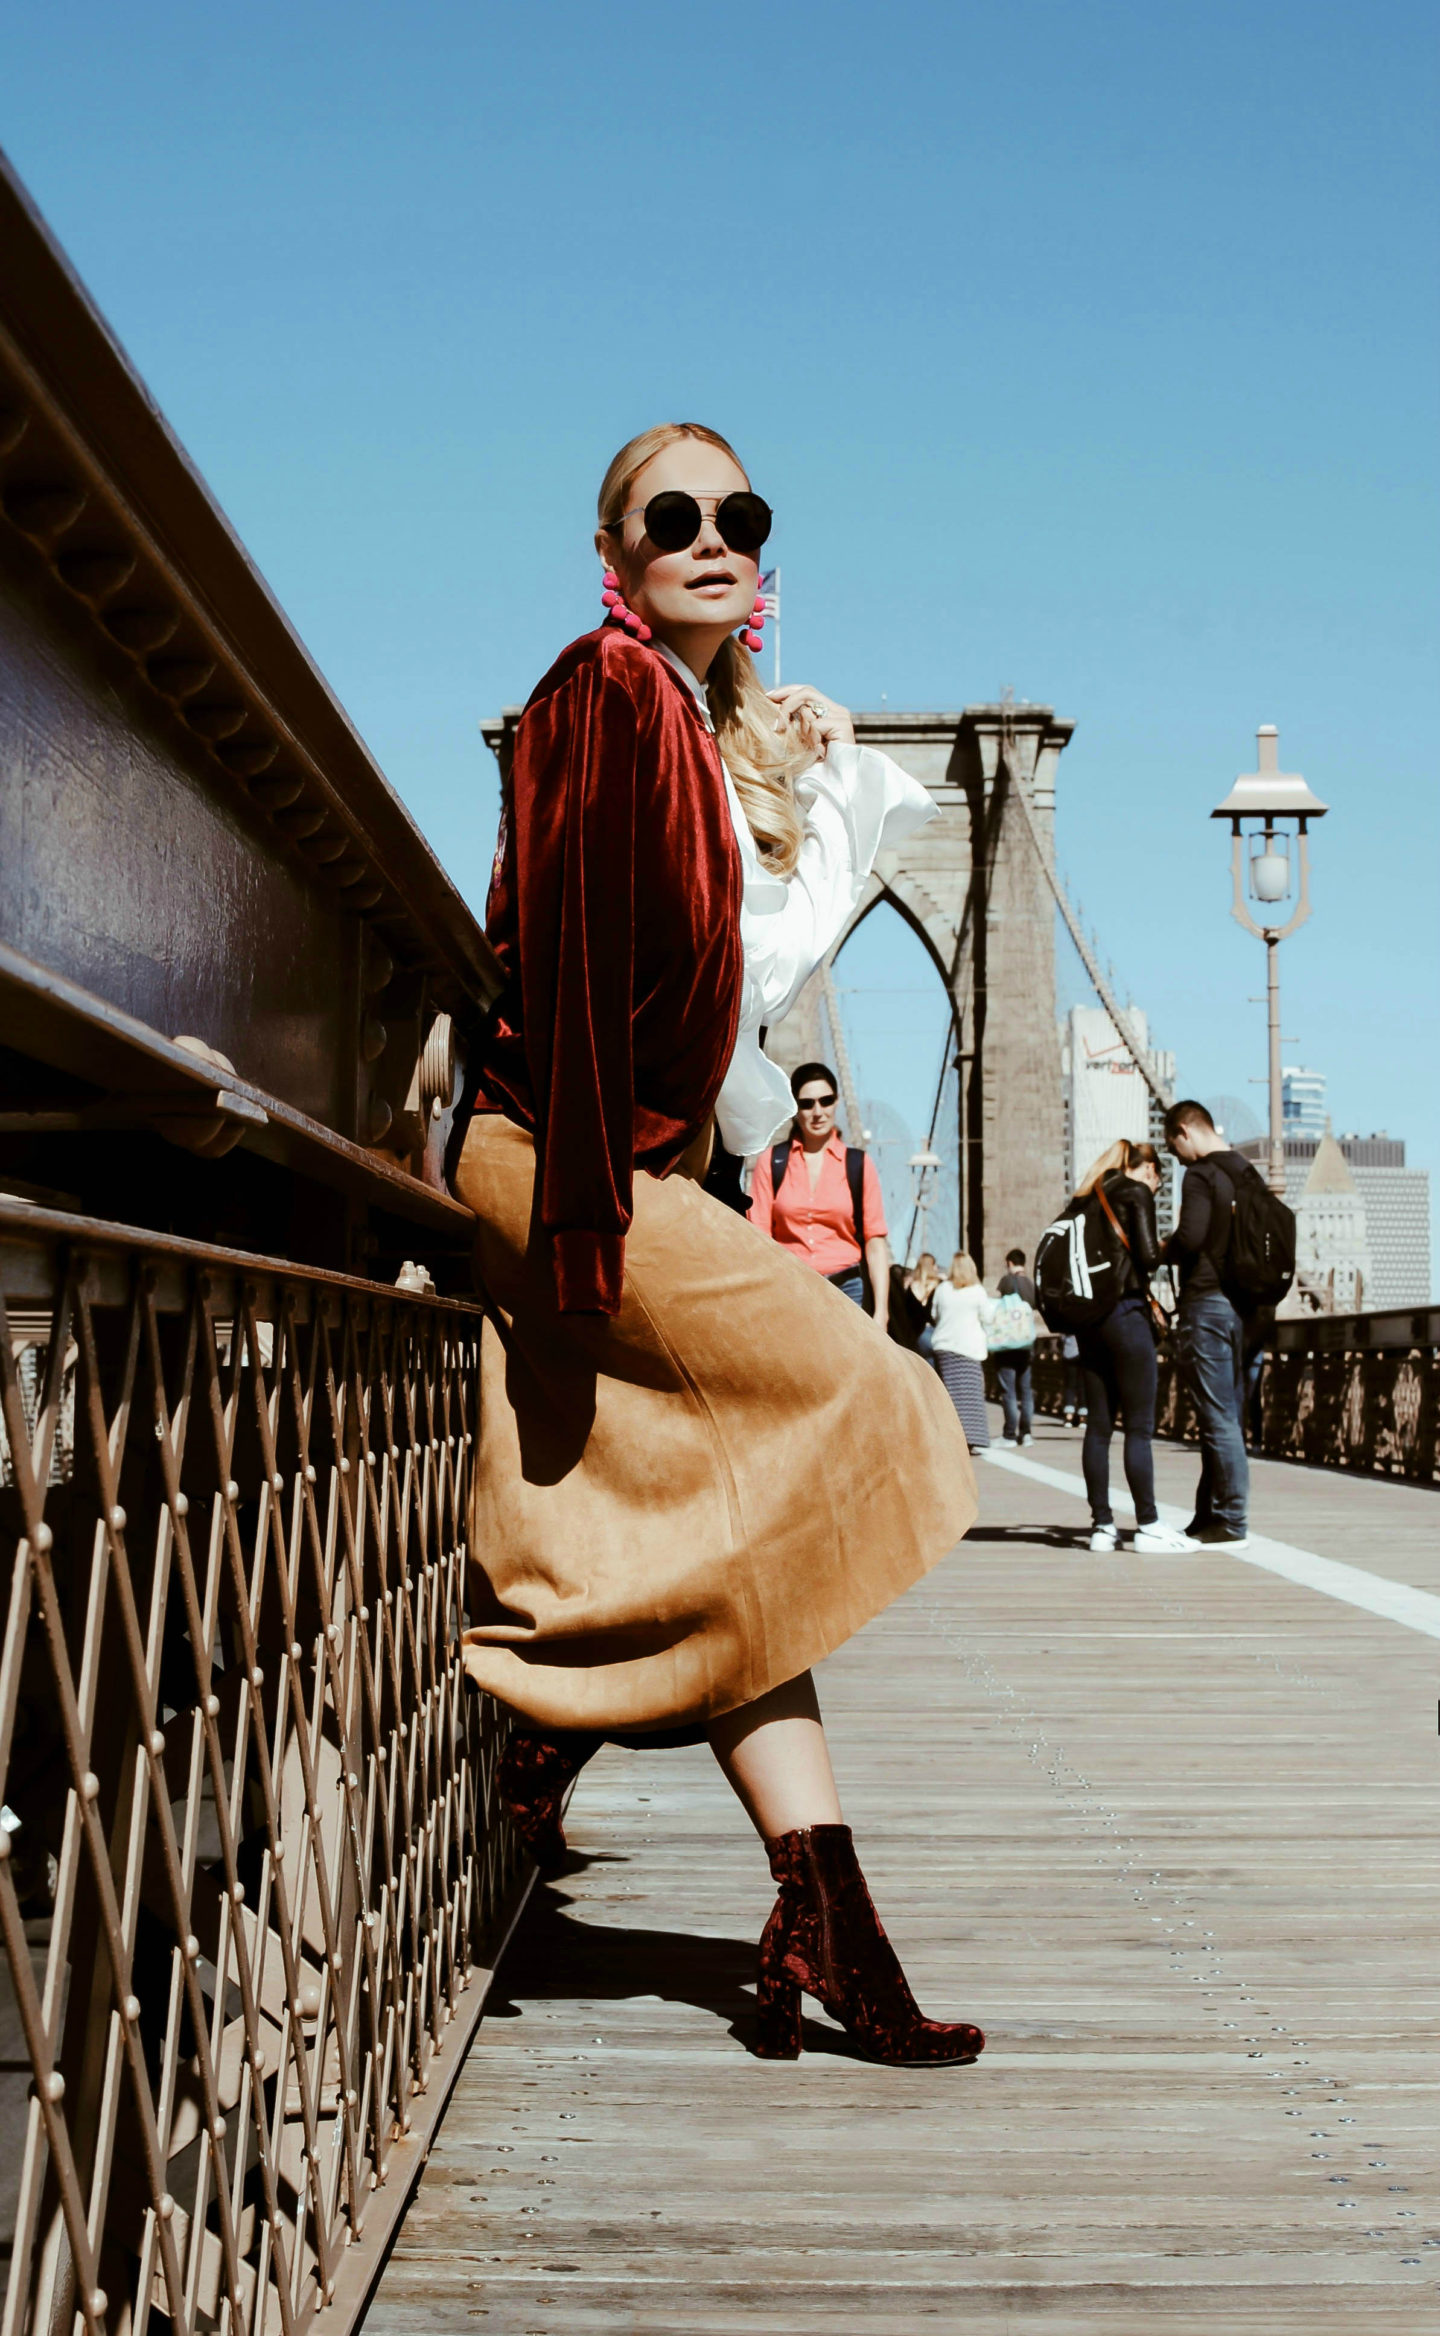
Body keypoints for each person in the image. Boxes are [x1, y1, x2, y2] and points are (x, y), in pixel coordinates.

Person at [455, 421, 983, 2066]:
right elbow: (572, 956)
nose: (708, 532)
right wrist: (600, 1227)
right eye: (666, 514)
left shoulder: (687, 722)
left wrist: (797, 747)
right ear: (613, 556)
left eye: (736, 514)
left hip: (614, 1170)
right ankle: (541, 1730)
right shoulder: (594, 694)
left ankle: (827, 1927)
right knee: (873, 1400)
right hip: (561, 1163)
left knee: (742, 1547)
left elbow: (743, 938)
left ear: (762, 560)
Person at [1068, 1140, 1195, 1555]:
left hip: (1090, 1324)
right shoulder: (1136, 1192)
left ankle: (1101, 1527)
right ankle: (1148, 1524)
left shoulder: (1084, 1200)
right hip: (1126, 1315)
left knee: (1099, 1427)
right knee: (1138, 1428)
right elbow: (1148, 1256)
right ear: (1149, 1171)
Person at [1162, 1099, 1257, 1550]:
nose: (1176, 1157)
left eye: (1173, 1146)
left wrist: (1163, 1250)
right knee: (1224, 1416)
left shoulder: (1200, 1175)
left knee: (1217, 1418)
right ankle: (1208, 1514)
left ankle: (1232, 1519)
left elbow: (1192, 1236)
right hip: (1247, 1310)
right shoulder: (1247, 1172)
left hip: (1208, 1302)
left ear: (1185, 1130)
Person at [748, 1063, 890, 1308]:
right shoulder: (771, 1163)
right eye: (807, 1103)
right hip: (789, 1290)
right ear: (794, 1109)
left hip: (848, 1292)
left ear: (836, 1102)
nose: (817, 1111)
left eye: (826, 1101)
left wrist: (881, 1313)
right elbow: (758, 1238)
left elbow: (875, 1243)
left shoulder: (859, 1165)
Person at [929, 1252, 991, 1451]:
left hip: (945, 1346)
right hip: (969, 1348)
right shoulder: (978, 1291)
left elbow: (934, 1314)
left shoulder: (943, 1289)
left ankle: (948, 1436)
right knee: (970, 1396)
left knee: (948, 1395)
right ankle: (970, 1438)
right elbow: (988, 1317)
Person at [992, 1246, 1037, 1447]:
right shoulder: (1030, 1284)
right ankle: (1026, 1433)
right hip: (1026, 1344)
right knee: (1026, 1390)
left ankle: (1010, 1434)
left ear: (1009, 1263)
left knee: (1008, 1390)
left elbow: (1001, 1306)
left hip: (1007, 1344)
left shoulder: (1006, 1281)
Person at [1060, 1334, 1086, 1426]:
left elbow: (1062, 1338)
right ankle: (1083, 1418)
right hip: (1083, 1354)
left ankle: (1069, 1417)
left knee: (1069, 1386)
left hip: (1069, 1354)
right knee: (1082, 1386)